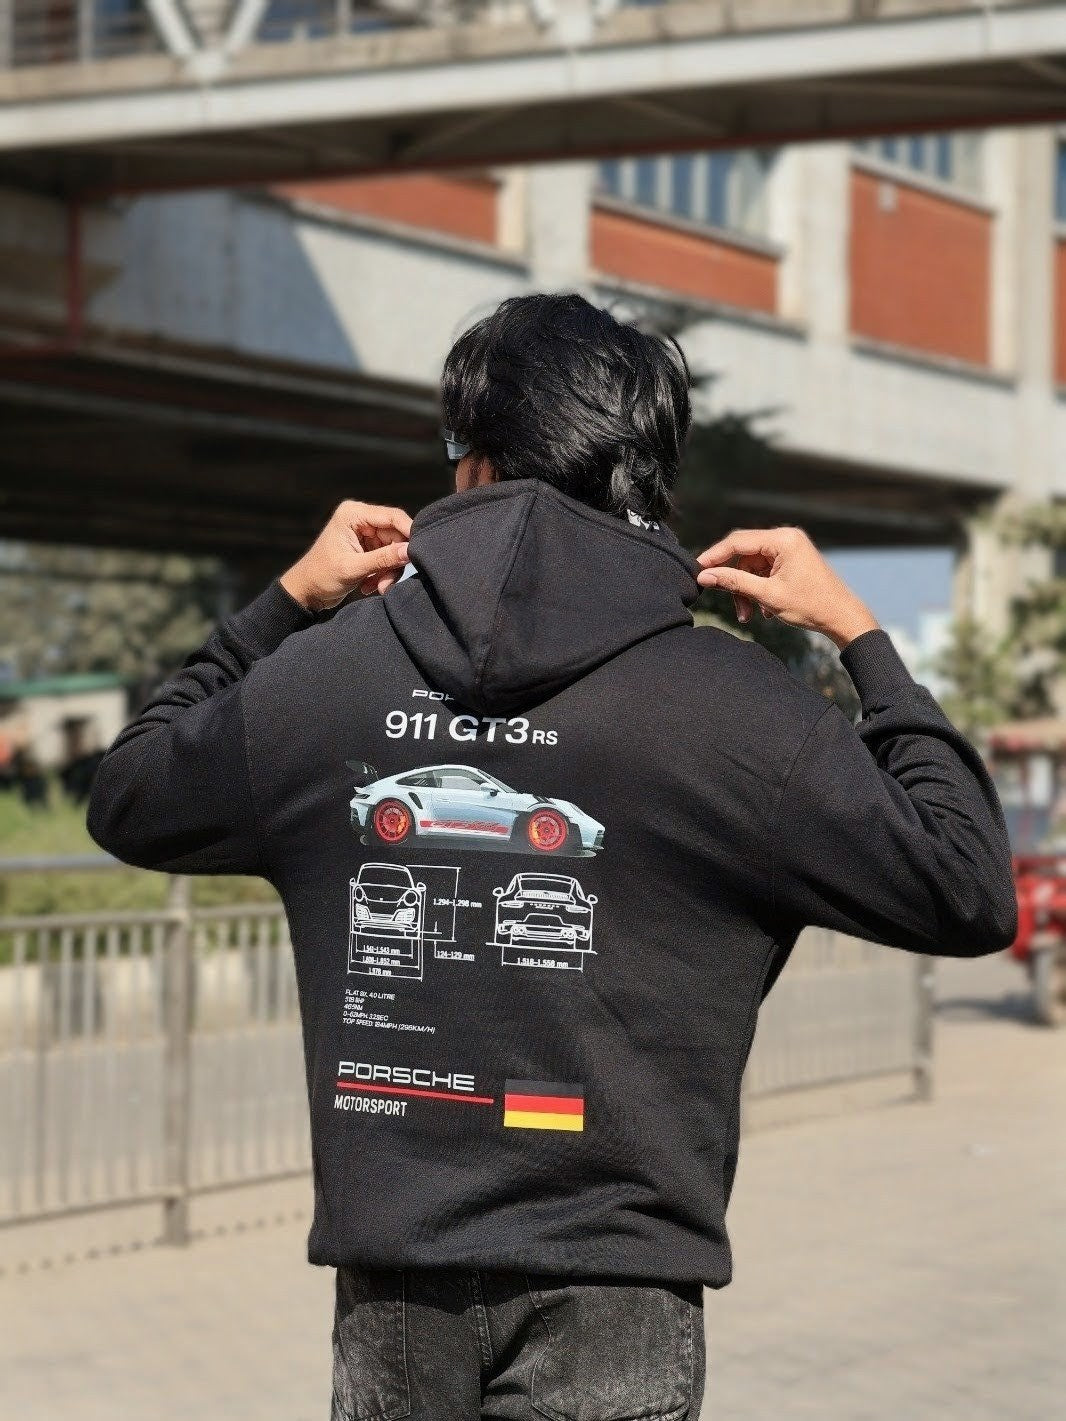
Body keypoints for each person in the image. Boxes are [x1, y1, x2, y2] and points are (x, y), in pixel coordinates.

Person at [88, 293, 1016, 1420]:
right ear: (644, 477)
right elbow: (967, 884)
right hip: (618, 1285)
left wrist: (284, 602)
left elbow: (130, 791)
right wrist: (859, 636)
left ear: (472, 460)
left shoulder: (329, 680)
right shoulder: (733, 706)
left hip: (395, 1288)